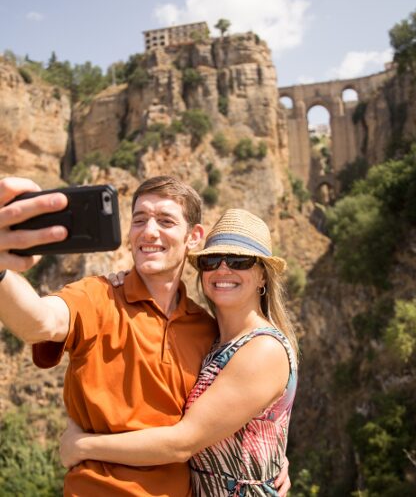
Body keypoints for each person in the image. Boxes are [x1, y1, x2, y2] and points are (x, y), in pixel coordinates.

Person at [0, 176, 291, 496]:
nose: (149, 231)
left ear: (193, 237)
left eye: (165, 220)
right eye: (140, 219)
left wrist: (272, 460)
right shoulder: (97, 296)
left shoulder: (206, 329)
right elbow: (38, 321)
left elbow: (195, 437)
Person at [59, 208, 299, 496]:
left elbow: (181, 443)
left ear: (262, 276)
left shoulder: (262, 349)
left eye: (239, 261)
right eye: (212, 261)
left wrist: (82, 446)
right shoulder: (213, 338)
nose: (223, 269)